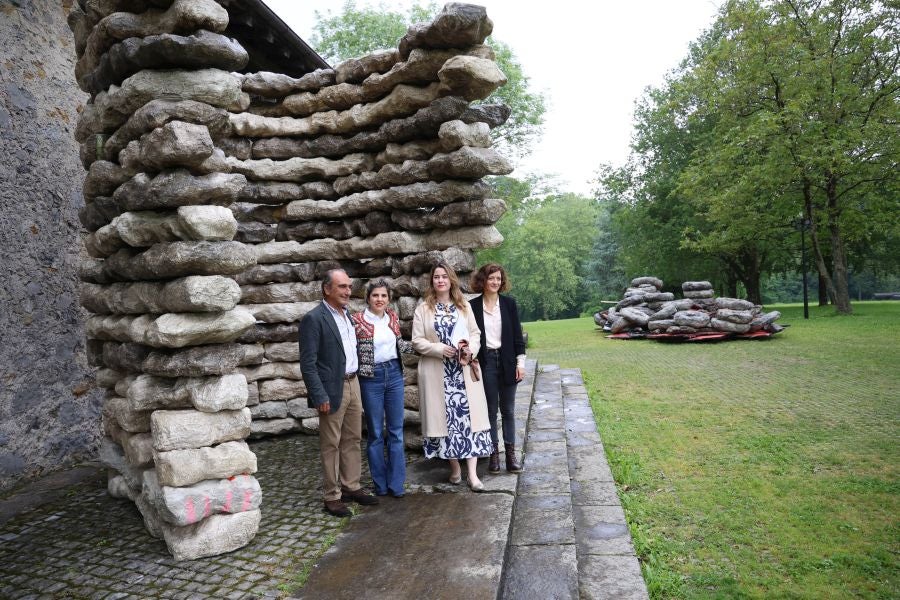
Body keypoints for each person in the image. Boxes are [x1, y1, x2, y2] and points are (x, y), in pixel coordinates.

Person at [299, 269, 378, 518]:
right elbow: (308, 363)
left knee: (352, 439)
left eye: (349, 286)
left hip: (354, 383)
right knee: (331, 444)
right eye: (342, 286)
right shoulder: (314, 318)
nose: (347, 291)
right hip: (331, 389)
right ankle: (332, 496)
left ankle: (351, 486)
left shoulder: (349, 317)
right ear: (327, 289)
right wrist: (319, 395)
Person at [412, 262, 493, 491]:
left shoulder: (463, 306)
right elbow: (417, 341)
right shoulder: (423, 309)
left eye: (444, 277)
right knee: (446, 422)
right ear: (432, 281)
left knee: (468, 421)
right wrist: (439, 349)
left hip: (463, 371)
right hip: (439, 373)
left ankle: (473, 475)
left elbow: (476, 334)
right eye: (436, 277)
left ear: (451, 280)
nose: (440, 280)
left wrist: (470, 349)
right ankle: (455, 469)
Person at [351, 279, 415, 499]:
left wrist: (427, 346)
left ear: (389, 299)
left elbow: (400, 346)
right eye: (376, 295)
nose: (380, 299)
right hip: (372, 378)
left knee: (396, 431)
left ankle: (397, 484)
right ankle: (380, 484)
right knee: (376, 432)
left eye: (384, 296)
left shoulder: (393, 318)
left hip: (394, 374)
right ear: (368, 297)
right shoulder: (357, 320)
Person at [470, 263, 526, 474]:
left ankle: (511, 455)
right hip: (486, 363)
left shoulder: (509, 304)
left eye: (498, 279)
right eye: (491, 278)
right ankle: (493, 454)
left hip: (508, 362)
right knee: (490, 410)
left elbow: (518, 338)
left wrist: (520, 363)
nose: (495, 282)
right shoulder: (472, 306)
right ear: (483, 280)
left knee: (509, 410)